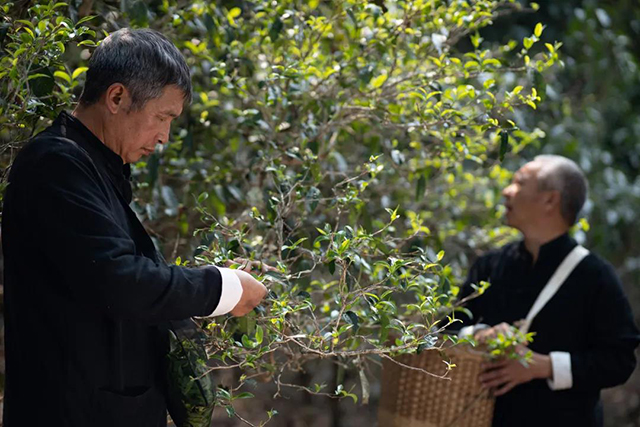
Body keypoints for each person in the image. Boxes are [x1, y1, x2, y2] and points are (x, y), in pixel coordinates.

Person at [1, 28, 267, 427]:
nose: (164, 137)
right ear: (117, 97)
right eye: (162, 117)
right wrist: (221, 288)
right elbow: (121, 281)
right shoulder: (55, 164)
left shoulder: (96, 165)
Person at [458, 155, 640, 427]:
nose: (507, 191)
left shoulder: (595, 276)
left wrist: (544, 366)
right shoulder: (490, 265)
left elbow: (619, 360)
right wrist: (481, 334)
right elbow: (446, 329)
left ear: (550, 200)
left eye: (519, 183)